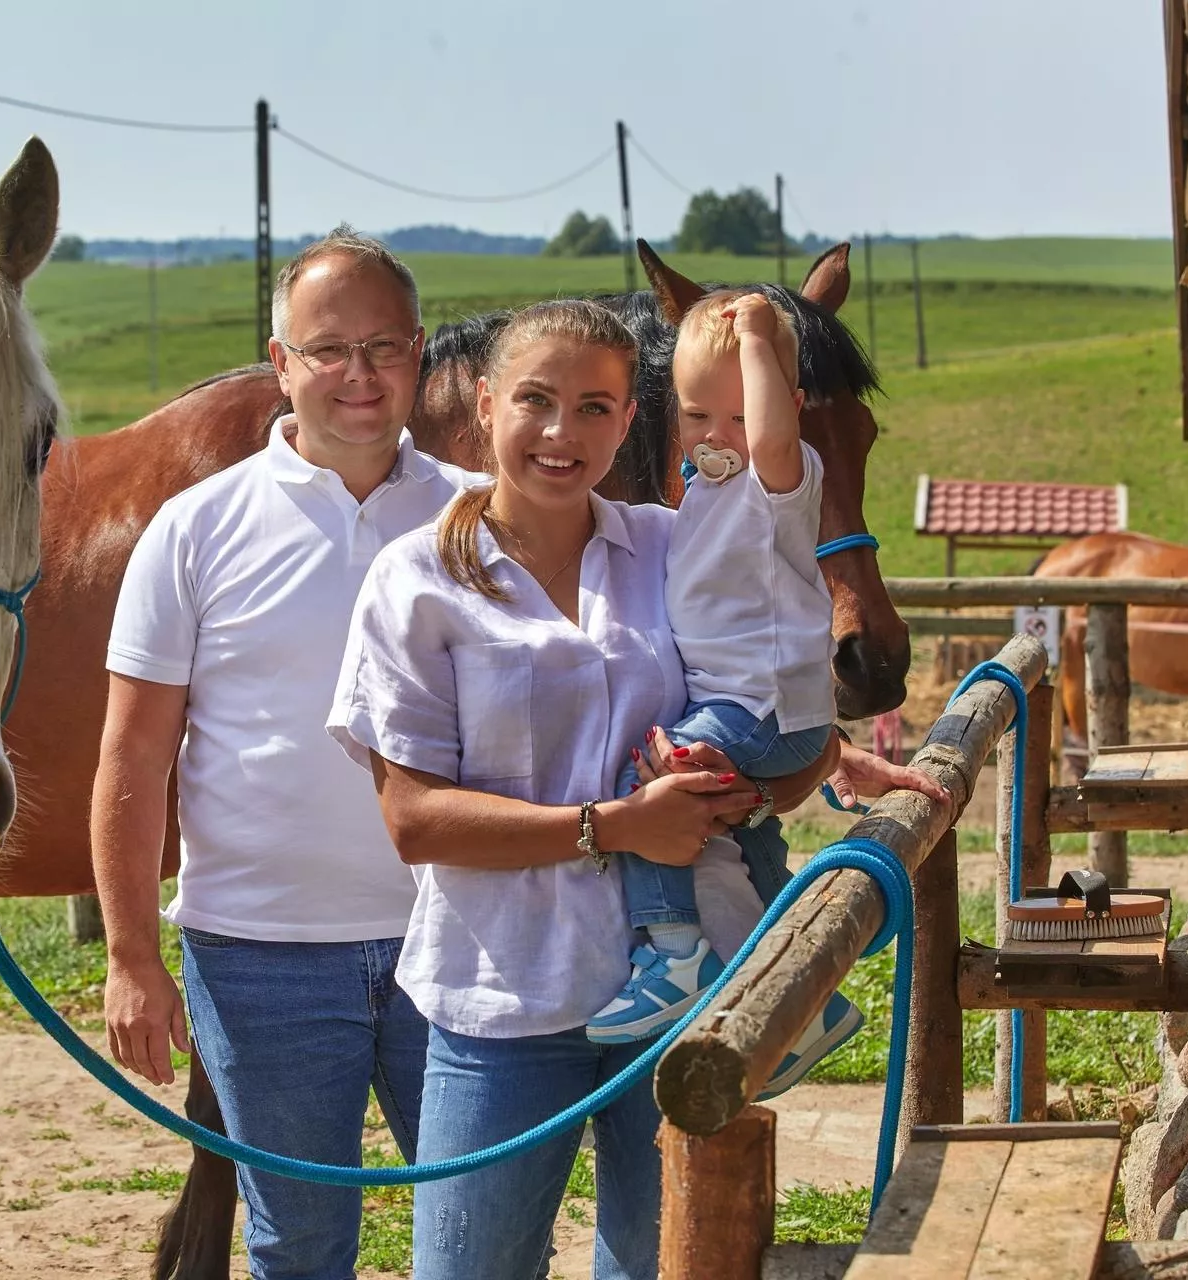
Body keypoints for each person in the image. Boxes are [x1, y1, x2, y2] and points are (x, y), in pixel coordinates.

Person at [328, 299, 848, 1279]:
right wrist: (615, 825)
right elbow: (414, 817)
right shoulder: (416, 580)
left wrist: (790, 764)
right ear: (485, 406)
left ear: (627, 420)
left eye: (596, 407)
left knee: (672, 1267)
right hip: (503, 1001)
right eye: (537, 400)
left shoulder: (673, 543)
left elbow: (767, 683)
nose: (564, 433)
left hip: (674, 1010)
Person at [91, 228, 477, 1280]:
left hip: (455, 944)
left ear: (421, 355)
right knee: (298, 1248)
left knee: (481, 1237)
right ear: (281, 363)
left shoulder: (480, 520)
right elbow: (132, 757)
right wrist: (131, 955)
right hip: (257, 954)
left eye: (384, 346)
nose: (358, 374)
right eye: (328, 348)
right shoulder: (191, 529)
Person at [586, 293, 861, 1087]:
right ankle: (808, 992)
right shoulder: (706, 490)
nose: (716, 435)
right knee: (743, 838)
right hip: (753, 703)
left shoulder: (778, 481)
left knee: (651, 783)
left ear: (784, 411)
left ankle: (676, 955)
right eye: (697, 413)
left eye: (738, 418)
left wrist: (763, 339)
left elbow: (772, 433)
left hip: (764, 707)